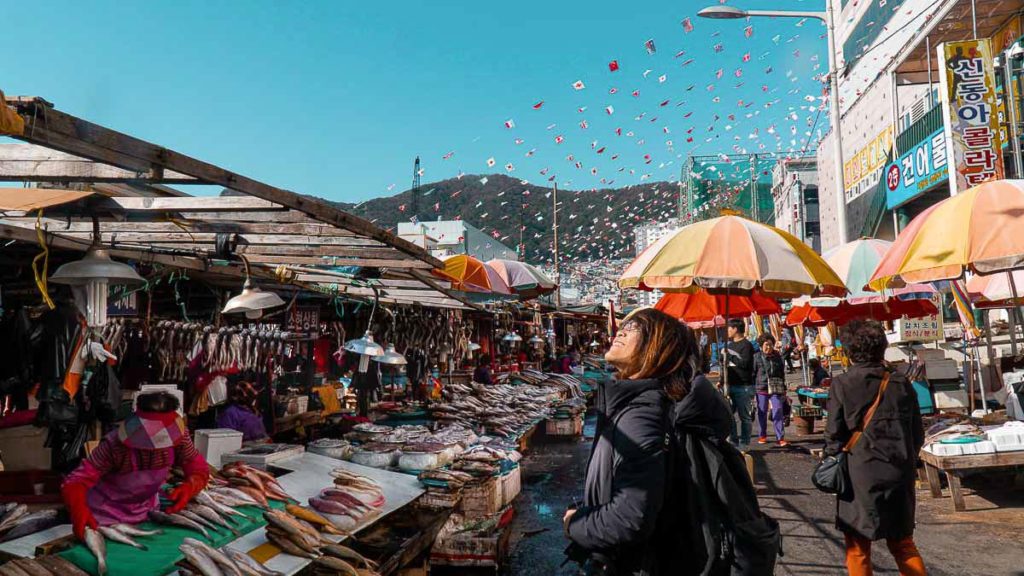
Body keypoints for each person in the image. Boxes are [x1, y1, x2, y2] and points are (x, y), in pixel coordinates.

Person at [564, 308, 700, 576]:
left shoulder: (640, 417)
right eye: (624, 325)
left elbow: (630, 518)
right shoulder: (635, 406)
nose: (621, 331)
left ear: (656, 348)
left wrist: (575, 524)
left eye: (636, 327)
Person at [824, 321, 926, 576]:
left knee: (858, 546)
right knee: (903, 543)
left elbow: (834, 435)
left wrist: (832, 456)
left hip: (860, 473)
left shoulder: (843, 384)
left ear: (848, 351)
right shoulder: (901, 383)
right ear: (883, 348)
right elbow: (917, 434)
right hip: (899, 470)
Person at [61, 392, 209, 541]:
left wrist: (190, 487)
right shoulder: (114, 444)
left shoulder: (180, 438)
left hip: (148, 510)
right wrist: (78, 509)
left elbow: (198, 468)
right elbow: (75, 482)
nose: (153, 444)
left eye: (160, 438)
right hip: (106, 514)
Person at [722, 319, 756, 449]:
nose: (728, 331)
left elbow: (745, 364)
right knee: (729, 416)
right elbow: (725, 366)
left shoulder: (746, 345)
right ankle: (733, 441)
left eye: (729, 328)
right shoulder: (729, 345)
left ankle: (745, 443)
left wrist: (730, 356)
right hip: (729, 385)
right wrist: (721, 379)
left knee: (745, 417)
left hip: (744, 386)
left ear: (735, 329)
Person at [754, 334, 789, 447]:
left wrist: (784, 388)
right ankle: (762, 435)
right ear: (761, 345)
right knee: (762, 411)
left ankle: (780, 437)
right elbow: (753, 373)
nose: (768, 347)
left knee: (778, 409)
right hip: (761, 387)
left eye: (770, 345)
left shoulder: (778, 357)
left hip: (776, 386)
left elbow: (781, 372)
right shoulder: (756, 357)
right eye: (766, 345)